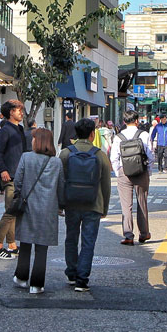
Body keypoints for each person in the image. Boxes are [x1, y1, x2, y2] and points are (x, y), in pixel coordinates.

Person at [59, 118, 111, 292]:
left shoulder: (66, 153)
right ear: (92, 134)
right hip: (93, 204)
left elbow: (60, 181)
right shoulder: (100, 155)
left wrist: (60, 203)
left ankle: (71, 273)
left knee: (71, 238)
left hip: (71, 203)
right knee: (88, 241)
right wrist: (104, 207)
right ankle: (82, 279)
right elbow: (106, 184)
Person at [12, 128, 65, 294]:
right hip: (48, 210)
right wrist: (61, 206)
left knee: (26, 244)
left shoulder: (26, 158)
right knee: (42, 248)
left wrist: (17, 198)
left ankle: (21, 277)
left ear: (39, 141)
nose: (32, 141)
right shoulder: (56, 162)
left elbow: (18, 182)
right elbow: (61, 187)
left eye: (34, 139)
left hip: (28, 207)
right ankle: (37, 284)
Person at [110, 109, 155, 245]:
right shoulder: (144, 135)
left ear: (124, 122)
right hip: (141, 172)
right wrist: (148, 171)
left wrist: (119, 173)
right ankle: (144, 233)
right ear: (137, 121)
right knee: (142, 203)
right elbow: (150, 155)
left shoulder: (119, 137)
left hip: (124, 172)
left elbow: (114, 158)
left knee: (126, 205)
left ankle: (128, 235)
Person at [0, 99, 27, 258]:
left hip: (19, 175)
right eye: (18, 109)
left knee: (13, 211)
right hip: (10, 175)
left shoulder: (19, 129)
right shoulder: (5, 130)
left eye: (21, 109)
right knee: (10, 211)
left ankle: (12, 245)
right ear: (11, 112)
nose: (21, 112)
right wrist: (3, 170)